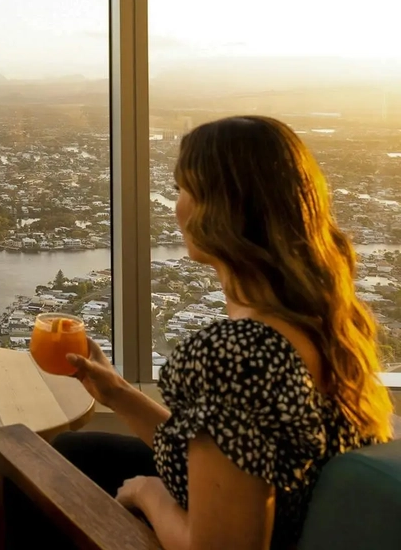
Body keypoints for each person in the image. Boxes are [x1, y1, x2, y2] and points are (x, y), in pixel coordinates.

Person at [52, 116, 394, 550]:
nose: (175, 206)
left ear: (223, 210)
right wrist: (116, 392)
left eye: (182, 190)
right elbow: (232, 450)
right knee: (77, 450)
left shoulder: (240, 353)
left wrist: (147, 493)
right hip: (296, 518)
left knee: (46, 467)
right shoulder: (324, 321)